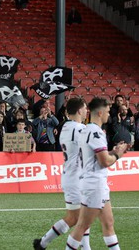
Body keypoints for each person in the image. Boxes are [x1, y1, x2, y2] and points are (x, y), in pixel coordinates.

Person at [65, 97, 128, 250]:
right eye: (107, 111)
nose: (109, 114)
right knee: (82, 227)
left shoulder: (87, 129)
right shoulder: (95, 132)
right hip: (95, 184)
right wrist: (118, 154)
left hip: (95, 183)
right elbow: (104, 161)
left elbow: (96, 156)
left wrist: (113, 151)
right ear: (100, 113)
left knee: (108, 223)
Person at [34, 97, 89, 250]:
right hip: (76, 177)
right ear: (79, 110)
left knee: (74, 218)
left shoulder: (65, 127)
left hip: (71, 175)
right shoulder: (80, 129)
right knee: (81, 219)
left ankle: (42, 243)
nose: (86, 111)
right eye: (84, 108)